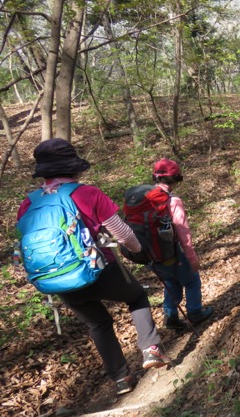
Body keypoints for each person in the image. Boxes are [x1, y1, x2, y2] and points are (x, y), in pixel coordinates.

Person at [16, 139, 171, 396]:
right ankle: (151, 348)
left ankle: (121, 378)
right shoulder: (87, 194)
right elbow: (122, 233)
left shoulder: (28, 203)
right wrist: (137, 251)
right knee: (136, 296)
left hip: (55, 278)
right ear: (74, 168)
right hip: (99, 270)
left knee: (98, 324)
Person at [148, 159, 213, 331]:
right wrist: (192, 258)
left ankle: (171, 316)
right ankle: (195, 313)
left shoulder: (146, 198)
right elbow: (183, 233)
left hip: (152, 254)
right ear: (175, 178)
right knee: (192, 281)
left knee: (171, 281)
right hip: (171, 252)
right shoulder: (172, 201)